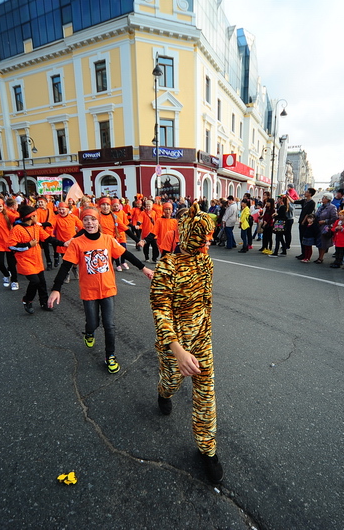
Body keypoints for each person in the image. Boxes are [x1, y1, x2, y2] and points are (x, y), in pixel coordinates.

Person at [149, 201, 223, 484]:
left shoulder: (206, 263)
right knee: (172, 383)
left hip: (202, 341)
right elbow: (160, 311)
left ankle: (207, 449)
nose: (209, 241)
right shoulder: (167, 266)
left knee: (206, 394)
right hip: (175, 347)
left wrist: (204, 334)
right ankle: (163, 392)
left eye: (210, 236)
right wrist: (177, 350)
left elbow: (206, 304)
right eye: (205, 236)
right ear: (191, 235)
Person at [48, 207, 154, 373]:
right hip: (89, 291)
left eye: (93, 219)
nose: (89, 223)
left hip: (107, 289)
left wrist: (143, 268)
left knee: (109, 325)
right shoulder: (77, 243)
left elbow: (126, 254)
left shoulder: (108, 239)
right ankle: (89, 332)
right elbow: (65, 266)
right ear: (82, 223)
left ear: (98, 222)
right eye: (86, 220)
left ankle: (110, 355)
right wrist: (56, 289)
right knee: (93, 323)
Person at [9, 205, 63, 314]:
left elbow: (48, 238)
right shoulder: (17, 229)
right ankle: (27, 300)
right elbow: (11, 246)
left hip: (37, 260)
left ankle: (44, 302)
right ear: (31, 217)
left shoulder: (36, 227)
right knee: (35, 281)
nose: (37, 217)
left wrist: (63, 243)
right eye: (36, 215)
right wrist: (28, 245)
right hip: (25, 261)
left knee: (42, 282)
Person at [53, 202, 84, 283]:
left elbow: (82, 227)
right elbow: (51, 226)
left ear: (67, 209)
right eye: (59, 209)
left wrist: (78, 235)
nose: (61, 211)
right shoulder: (55, 218)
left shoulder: (73, 217)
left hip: (73, 243)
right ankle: (67, 274)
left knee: (76, 260)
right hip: (62, 244)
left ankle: (74, 268)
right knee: (66, 261)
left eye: (63, 209)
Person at [292, 188, 317, 259]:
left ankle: (306, 255)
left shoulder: (312, 203)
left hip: (306, 222)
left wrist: (303, 221)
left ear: (310, 194)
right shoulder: (304, 201)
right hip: (301, 221)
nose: (305, 193)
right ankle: (303, 253)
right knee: (301, 238)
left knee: (305, 238)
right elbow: (294, 202)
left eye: (307, 192)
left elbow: (308, 213)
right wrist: (288, 196)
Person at [314, 192, 338, 263]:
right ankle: (319, 257)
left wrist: (325, 221)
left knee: (323, 243)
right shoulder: (321, 206)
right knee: (319, 242)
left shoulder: (332, 207)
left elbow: (334, 218)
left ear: (328, 199)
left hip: (325, 227)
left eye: (324, 197)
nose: (322, 199)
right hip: (318, 226)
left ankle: (321, 258)